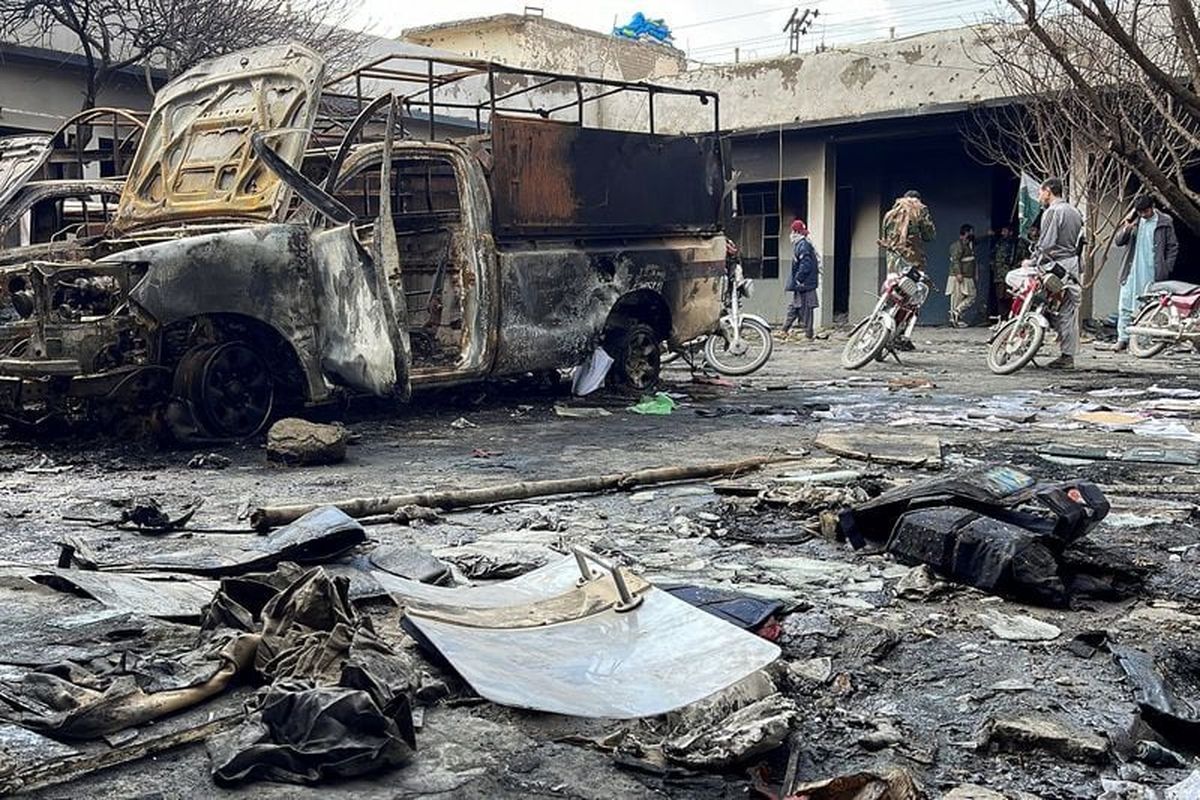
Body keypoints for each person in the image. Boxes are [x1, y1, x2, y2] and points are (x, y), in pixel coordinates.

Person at [1005, 177, 1084, 369]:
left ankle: (1027, 320)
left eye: (1041, 192)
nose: (1039, 196)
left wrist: (1031, 261)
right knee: (1068, 312)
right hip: (1072, 267)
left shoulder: (1053, 212)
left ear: (1048, 191)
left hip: (1052, 266)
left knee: (1013, 277)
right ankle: (1067, 357)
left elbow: (1047, 244)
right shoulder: (1075, 212)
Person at [1107, 194, 1179, 351]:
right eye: (1140, 212)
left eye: (1145, 211)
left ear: (1152, 207)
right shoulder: (1135, 221)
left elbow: (1172, 246)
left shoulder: (1165, 221)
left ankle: (1144, 341)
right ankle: (1122, 339)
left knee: (1148, 306)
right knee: (1125, 305)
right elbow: (1119, 241)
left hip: (1152, 270)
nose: (1143, 214)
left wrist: (1167, 267)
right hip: (1132, 269)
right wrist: (1127, 226)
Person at [879, 190, 936, 350]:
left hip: (892, 262)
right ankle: (899, 335)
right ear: (917, 200)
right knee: (911, 299)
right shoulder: (919, 211)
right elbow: (930, 236)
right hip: (912, 263)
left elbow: (884, 236)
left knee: (891, 293)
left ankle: (878, 326)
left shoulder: (890, 214)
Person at [782, 218, 819, 340]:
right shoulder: (801, 244)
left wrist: (798, 279)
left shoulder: (803, 246)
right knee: (794, 306)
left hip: (805, 283)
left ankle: (808, 335)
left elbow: (806, 265)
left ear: (795, 232)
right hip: (803, 283)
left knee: (806, 308)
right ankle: (784, 330)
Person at [988, 224, 1025, 320]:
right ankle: (1003, 319)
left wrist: (1015, 268)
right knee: (1000, 298)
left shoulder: (1017, 244)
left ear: (1010, 232)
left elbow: (1023, 259)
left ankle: (1012, 318)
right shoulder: (999, 243)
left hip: (1012, 276)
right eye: (1002, 231)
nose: (1002, 233)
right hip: (999, 276)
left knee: (1011, 297)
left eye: (1005, 231)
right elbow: (993, 256)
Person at [947, 224, 978, 327]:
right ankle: (955, 317)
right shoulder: (957, 245)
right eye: (970, 232)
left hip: (967, 275)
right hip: (960, 276)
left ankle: (957, 313)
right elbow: (955, 261)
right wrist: (958, 273)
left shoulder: (969, 244)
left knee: (970, 295)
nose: (972, 234)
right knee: (957, 298)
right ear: (965, 233)